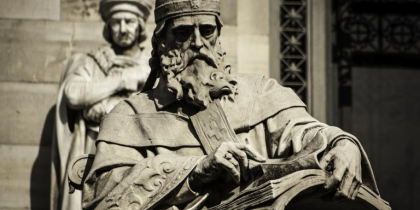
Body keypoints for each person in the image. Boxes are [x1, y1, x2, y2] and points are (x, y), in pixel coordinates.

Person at [79, 0, 383, 209]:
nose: (197, 43)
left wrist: (342, 143)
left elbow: (304, 131)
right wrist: (197, 169)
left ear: (218, 36)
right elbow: (105, 197)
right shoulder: (128, 116)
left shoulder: (262, 91)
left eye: (206, 31)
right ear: (161, 43)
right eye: (183, 33)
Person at [51, 0, 153, 209]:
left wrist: (104, 104)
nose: (123, 29)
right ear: (108, 27)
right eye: (116, 22)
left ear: (140, 25)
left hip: (140, 151)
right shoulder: (92, 62)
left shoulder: (151, 65)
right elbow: (73, 94)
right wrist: (124, 80)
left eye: (129, 21)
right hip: (94, 149)